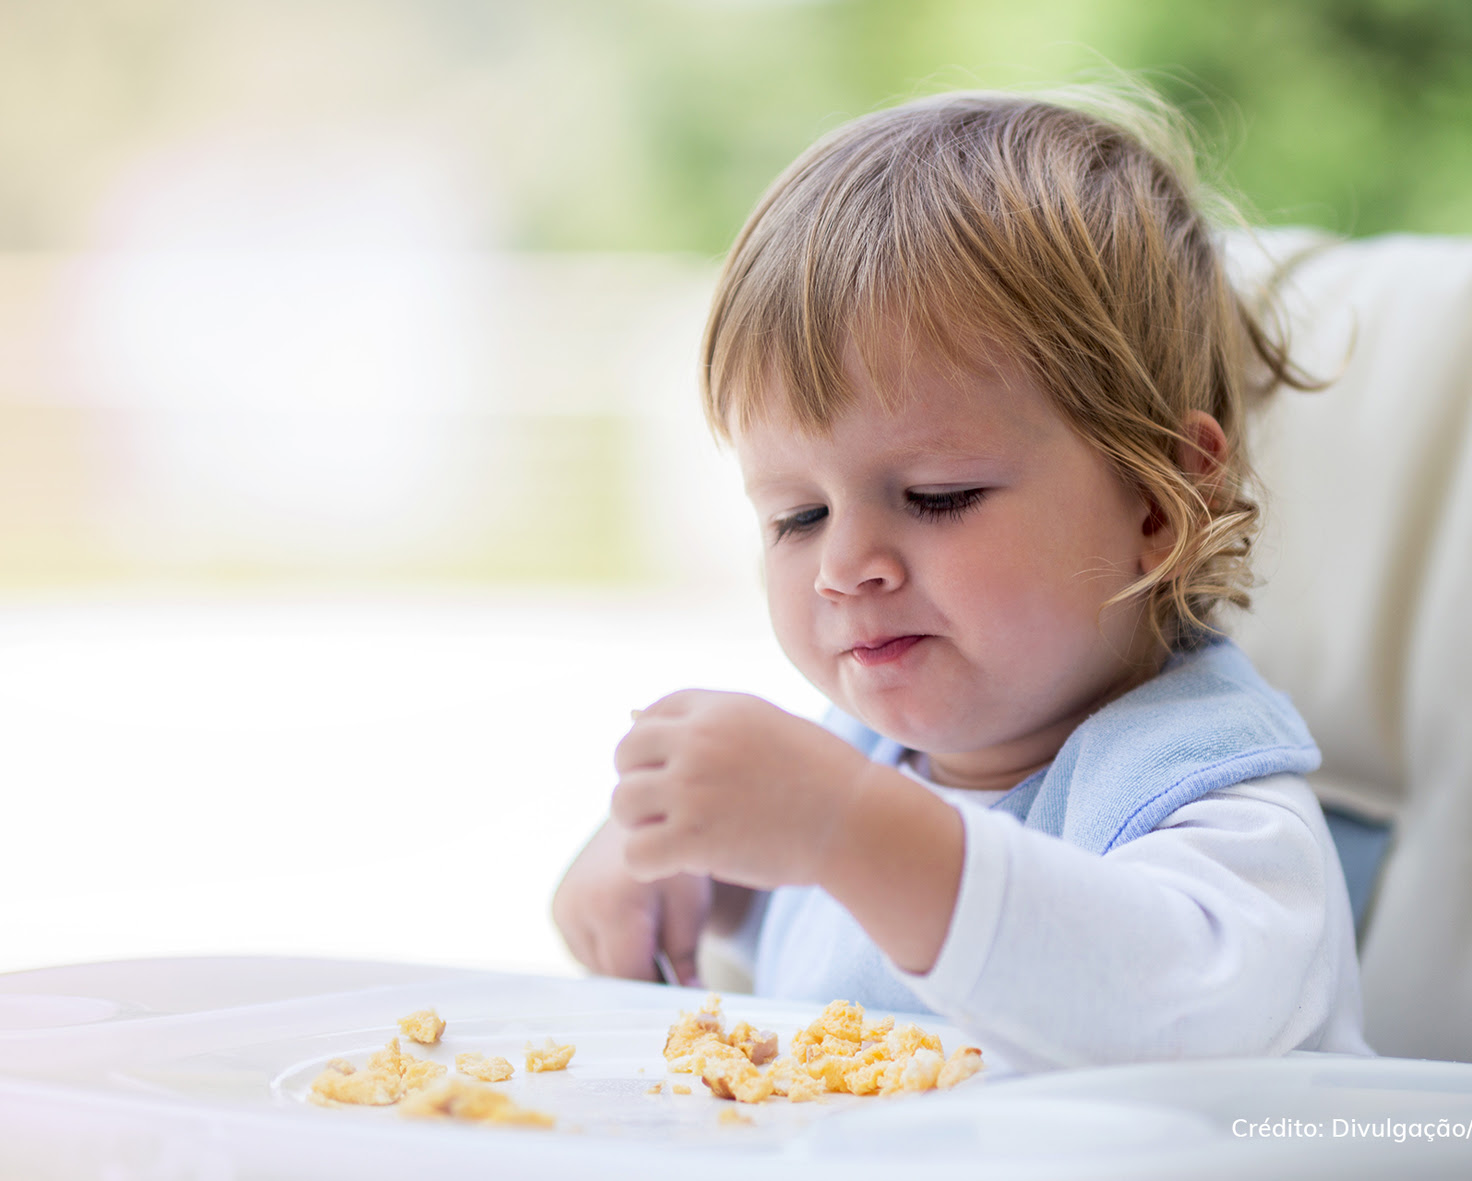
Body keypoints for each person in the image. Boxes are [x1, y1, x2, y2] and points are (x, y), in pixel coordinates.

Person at [552, 85, 1370, 1071]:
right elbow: (790, 881)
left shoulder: (1207, 799)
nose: (847, 565)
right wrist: (662, 861)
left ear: (1157, 505)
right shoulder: (863, 758)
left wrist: (845, 823)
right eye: (795, 516)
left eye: (936, 494)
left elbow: (1168, 1010)